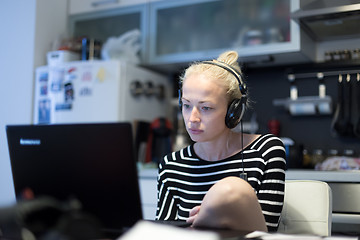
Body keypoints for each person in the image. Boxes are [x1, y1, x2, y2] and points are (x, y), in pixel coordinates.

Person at [155, 50, 286, 232]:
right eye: (186, 105)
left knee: (231, 189)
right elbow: (162, 233)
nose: (192, 118)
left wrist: (214, 212)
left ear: (234, 112)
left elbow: (266, 231)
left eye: (206, 108)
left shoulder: (266, 151)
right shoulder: (171, 165)